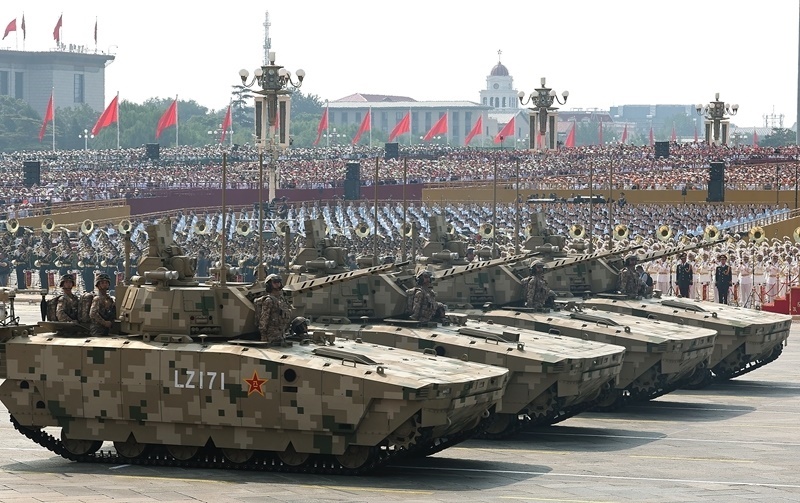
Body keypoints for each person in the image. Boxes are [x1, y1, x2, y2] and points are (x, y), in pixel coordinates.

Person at [256, 273, 293, 345]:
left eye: (279, 282)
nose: (277, 284)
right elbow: (263, 320)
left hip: (281, 335)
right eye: (275, 282)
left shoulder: (282, 299)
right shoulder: (269, 300)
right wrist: (263, 337)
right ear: (269, 285)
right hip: (271, 337)